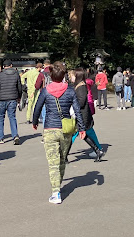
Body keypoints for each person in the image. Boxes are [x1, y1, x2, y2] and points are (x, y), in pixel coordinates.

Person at [32, 61, 86, 204]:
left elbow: (37, 107)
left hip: (50, 128)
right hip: (66, 130)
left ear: (51, 75)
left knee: (53, 162)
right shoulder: (70, 90)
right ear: (63, 76)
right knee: (62, 159)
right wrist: (81, 128)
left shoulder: (46, 90)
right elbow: (77, 110)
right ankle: (58, 185)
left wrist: (35, 121)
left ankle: (56, 192)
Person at [70, 67, 104, 161]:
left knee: (75, 133)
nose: (70, 78)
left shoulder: (81, 87)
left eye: (72, 76)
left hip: (82, 114)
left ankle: (63, 154)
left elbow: (81, 101)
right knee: (87, 132)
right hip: (85, 113)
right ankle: (98, 149)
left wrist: (72, 104)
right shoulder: (80, 85)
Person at [0, 58, 23, 145]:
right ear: (11, 66)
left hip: (2, 99)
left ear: (3, 66)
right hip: (13, 99)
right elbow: (19, 87)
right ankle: (15, 136)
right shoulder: (16, 74)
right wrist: (19, 97)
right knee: (12, 117)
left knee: (1, 118)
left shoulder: (0, 75)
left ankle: (0, 138)